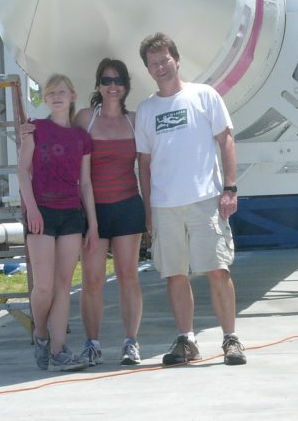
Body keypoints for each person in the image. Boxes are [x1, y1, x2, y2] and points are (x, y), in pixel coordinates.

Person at [134, 32, 246, 367]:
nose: (161, 67)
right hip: (165, 205)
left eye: (165, 60)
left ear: (176, 60)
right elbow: (144, 162)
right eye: (154, 64)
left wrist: (230, 188)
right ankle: (186, 339)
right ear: (148, 70)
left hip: (205, 200)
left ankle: (231, 339)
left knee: (217, 270)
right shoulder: (147, 109)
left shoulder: (204, 96)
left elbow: (225, 140)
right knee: (174, 274)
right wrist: (148, 211)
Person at [17, 74, 99, 372]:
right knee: (44, 286)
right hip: (42, 213)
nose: (56, 97)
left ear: (73, 94)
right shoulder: (35, 129)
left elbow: (86, 184)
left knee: (64, 285)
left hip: (71, 215)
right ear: (45, 98)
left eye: (62, 92)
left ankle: (59, 349)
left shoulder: (81, 138)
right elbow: (23, 172)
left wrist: (93, 223)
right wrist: (32, 210)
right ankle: (40, 332)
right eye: (50, 93)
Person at [72, 59, 146, 366]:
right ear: (98, 85)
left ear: (126, 86)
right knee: (92, 279)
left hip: (128, 205)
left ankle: (131, 342)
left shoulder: (135, 119)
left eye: (118, 80)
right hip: (93, 210)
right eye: (106, 80)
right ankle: (92, 343)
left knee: (129, 276)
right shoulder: (85, 118)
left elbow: (146, 166)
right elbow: (60, 138)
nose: (112, 85)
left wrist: (151, 211)